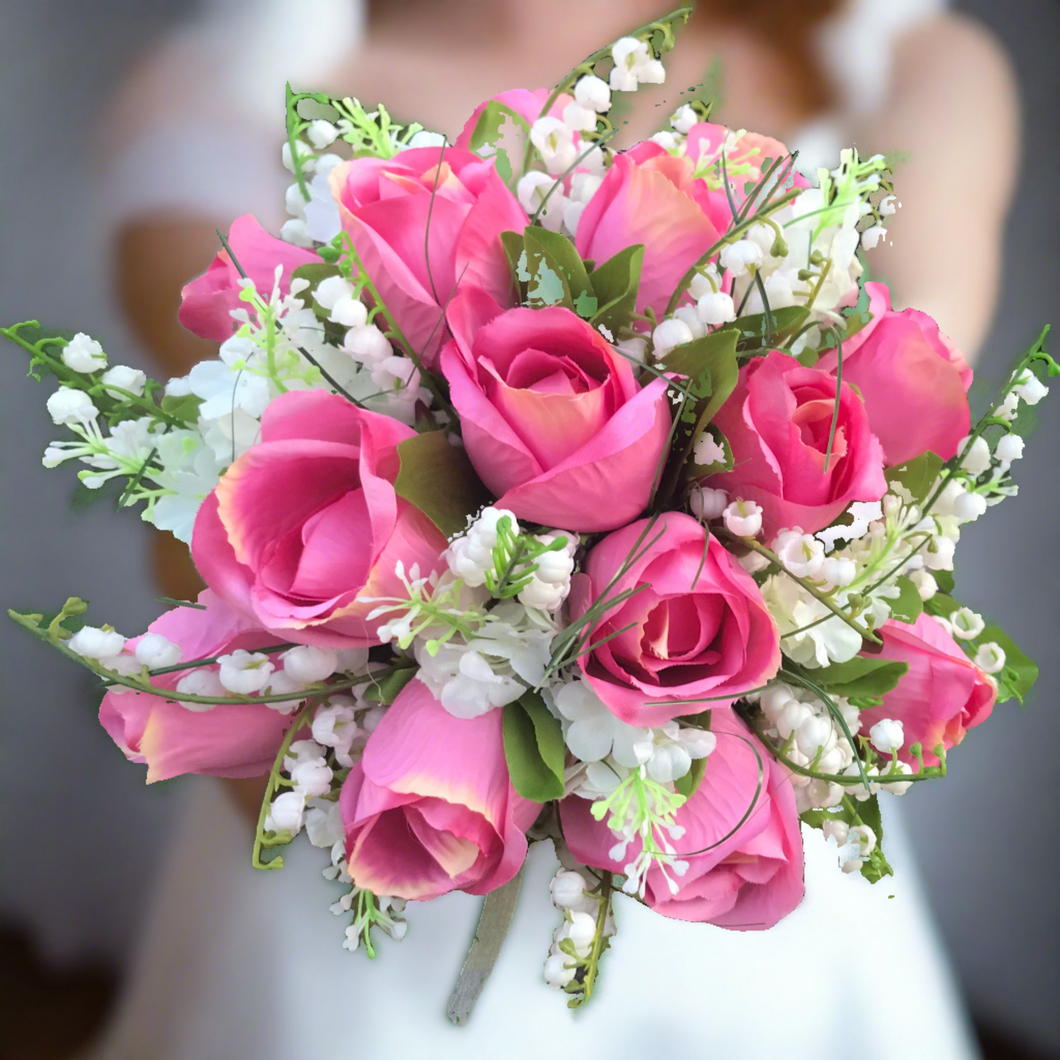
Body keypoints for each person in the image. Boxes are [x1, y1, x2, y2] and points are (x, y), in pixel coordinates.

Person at [87, 1, 1017, 1056]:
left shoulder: (903, 60)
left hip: (731, 844)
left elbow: (905, 400)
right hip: (385, 836)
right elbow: (223, 473)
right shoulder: (245, 79)